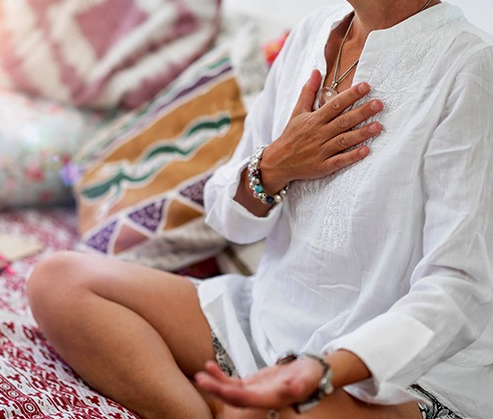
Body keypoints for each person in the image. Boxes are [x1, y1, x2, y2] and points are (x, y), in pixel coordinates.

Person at [27, 0, 493, 417]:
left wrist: (323, 370)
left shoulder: (469, 68)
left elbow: (459, 288)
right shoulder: (314, 32)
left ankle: (237, 405)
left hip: (393, 367)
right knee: (58, 280)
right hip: (266, 315)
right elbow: (225, 216)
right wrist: (273, 166)